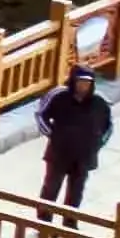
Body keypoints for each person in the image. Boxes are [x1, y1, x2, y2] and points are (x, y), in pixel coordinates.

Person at [34, 69, 112, 213]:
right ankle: (44, 222)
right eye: (81, 82)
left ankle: (70, 223)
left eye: (87, 83)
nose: (83, 86)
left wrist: (97, 144)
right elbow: (41, 115)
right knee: (51, 188)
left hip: (84, 155)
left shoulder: (100, 102)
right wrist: (54, 135)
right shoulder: (58, 96)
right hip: (59, 152)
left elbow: (108, 127)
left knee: (76, 192)